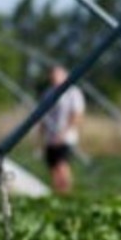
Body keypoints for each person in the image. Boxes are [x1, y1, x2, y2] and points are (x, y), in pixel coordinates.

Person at [39, 65, 86, 195]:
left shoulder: (73, 93)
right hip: (50, 138)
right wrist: (42, 134)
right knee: (53, 167)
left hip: (66, 138)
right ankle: (57, 194)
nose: (53, 78)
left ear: (64, 76)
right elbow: (43, 115)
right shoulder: (48, 93)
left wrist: (64, 132)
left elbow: (77, 115)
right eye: (52, 76)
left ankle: (66, 192)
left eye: (57, 75)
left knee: (62, 165)